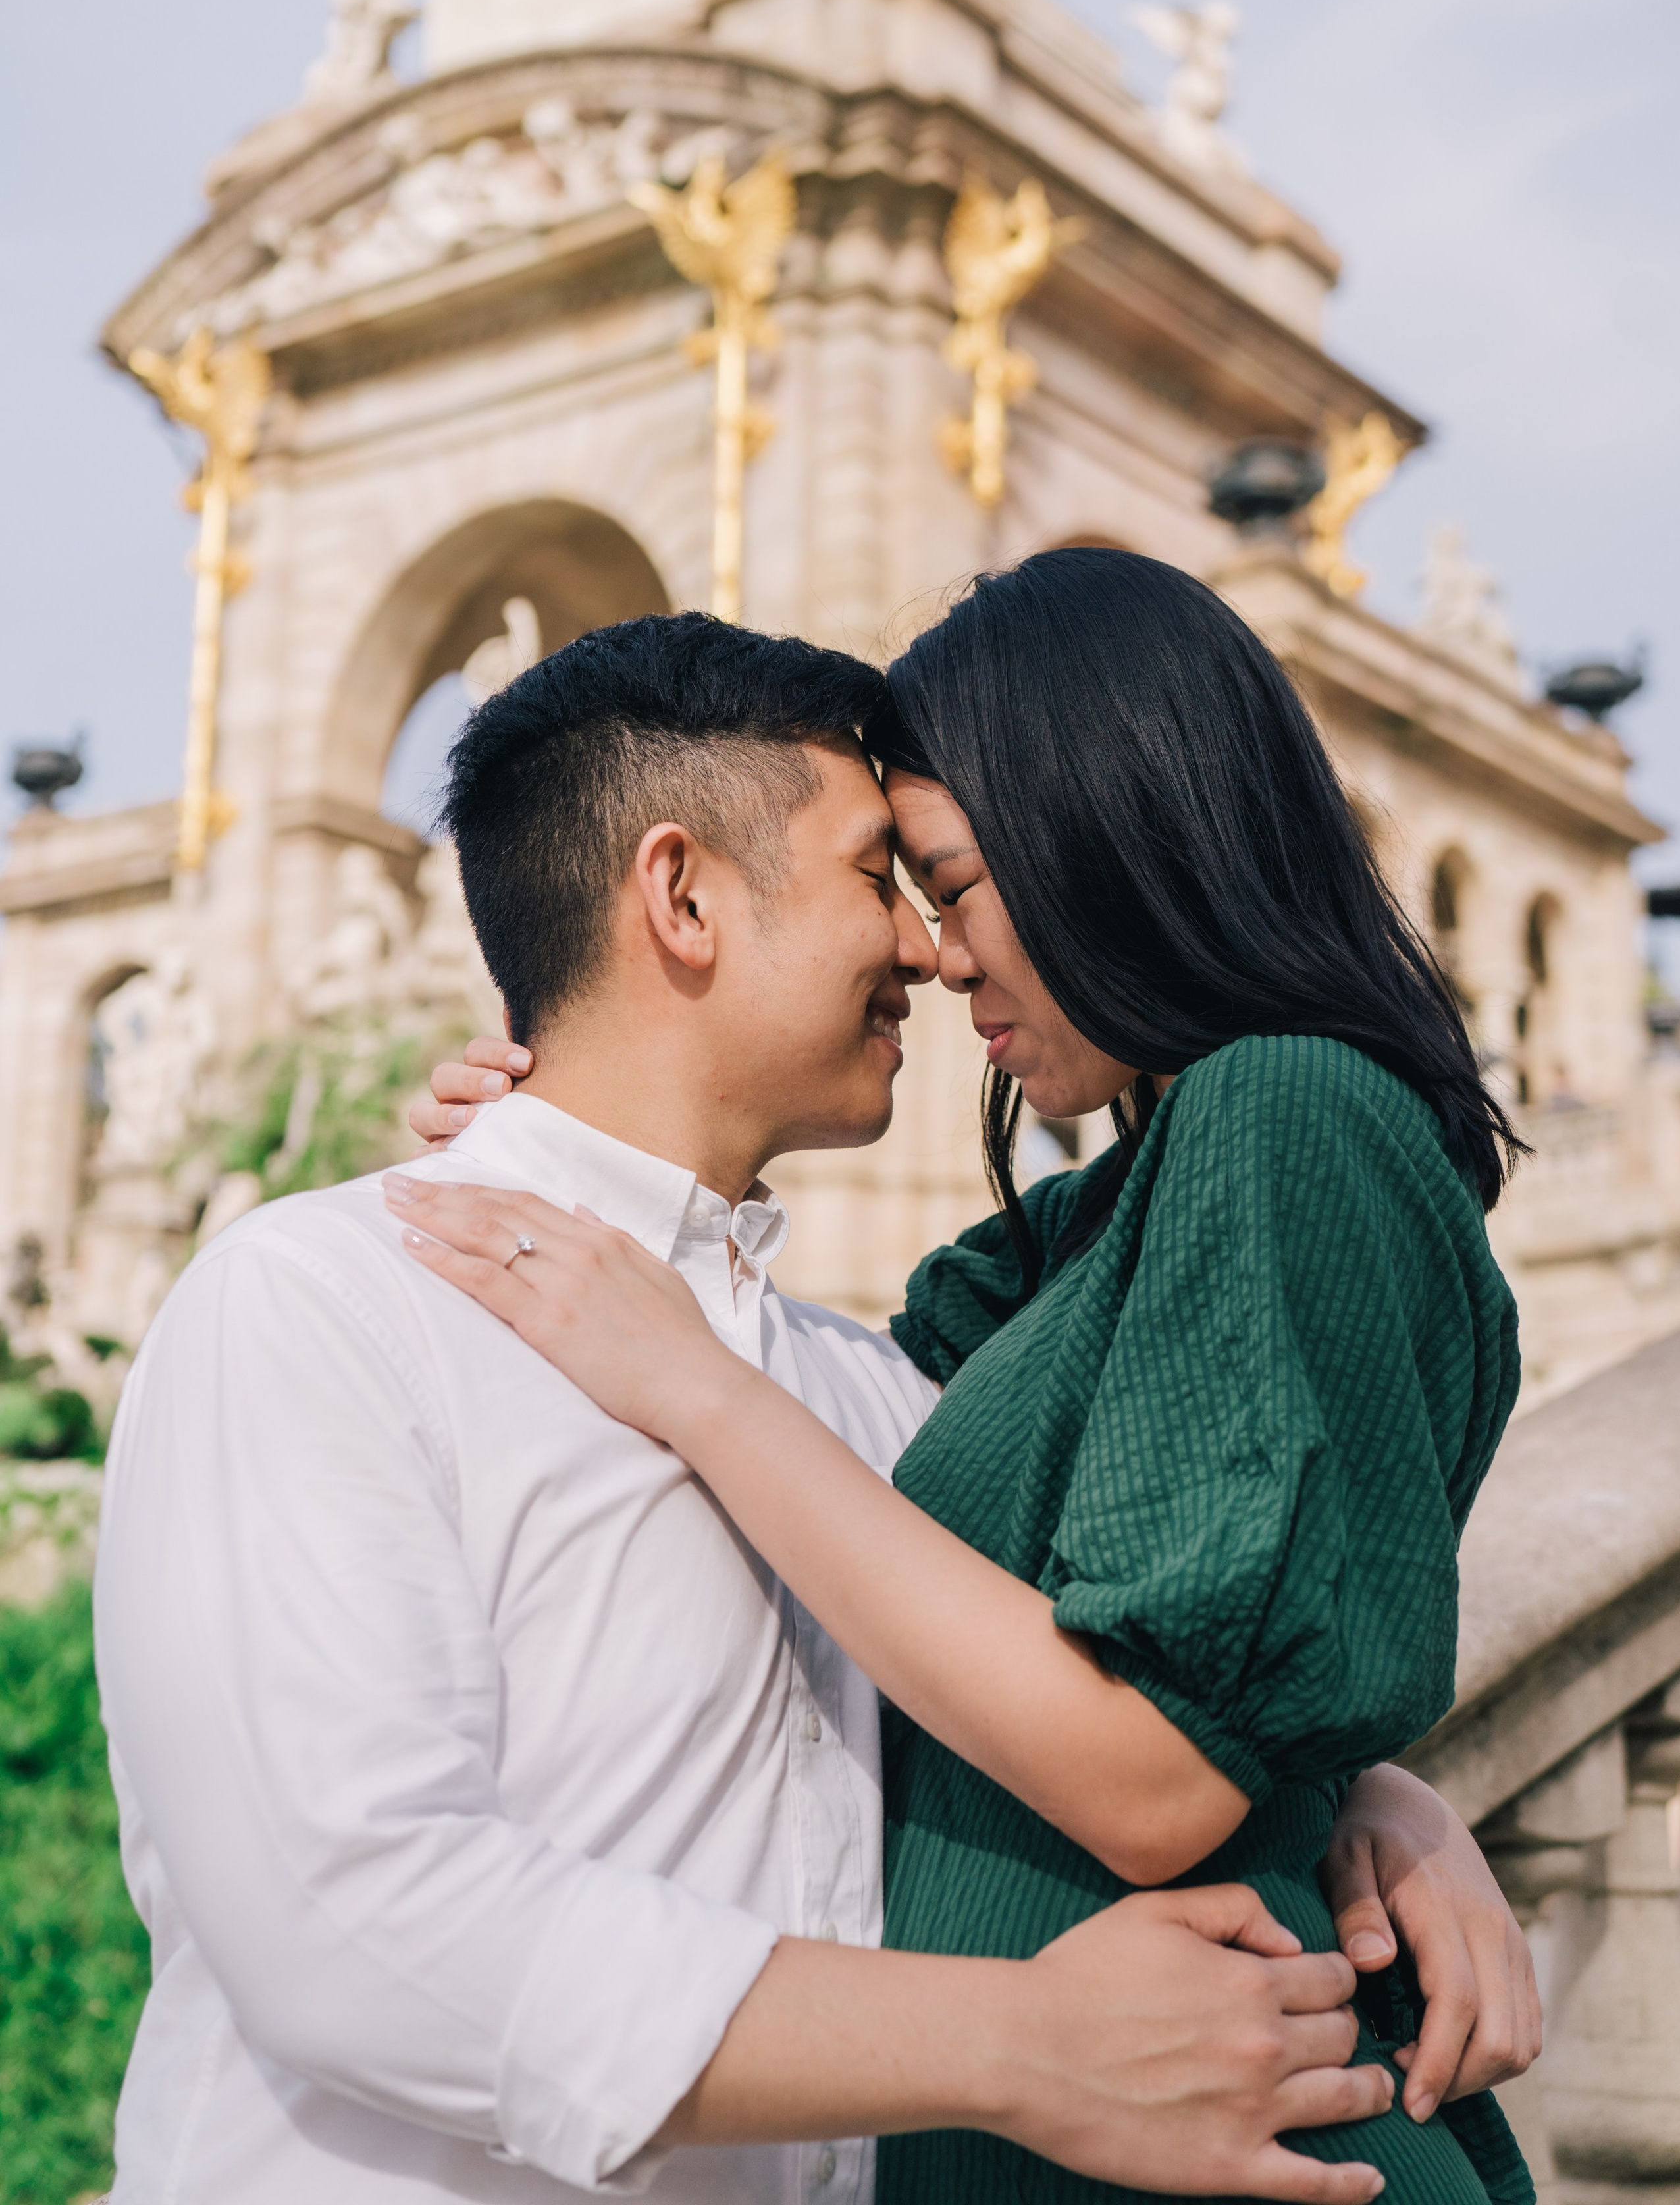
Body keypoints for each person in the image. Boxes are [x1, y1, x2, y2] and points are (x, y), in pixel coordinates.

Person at [97, 613, 1407, 2205]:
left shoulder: (868, 1396)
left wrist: (1364, 1799)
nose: (926, 950)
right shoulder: (319, 1305)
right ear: (684, 895)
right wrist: (1023, 2044)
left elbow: (1131, 1671)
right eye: (880, 878)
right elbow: (356, 1922)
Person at [397, 556, 1540, 2205]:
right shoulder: (1090, 1234)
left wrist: (697, 1387)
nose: (938, 958)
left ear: (1107, 840)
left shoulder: (1287, 1114)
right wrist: (554, 1149)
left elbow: (1155, 1770)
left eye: (952, 881)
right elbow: (1014, 1575)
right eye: (903, 887)